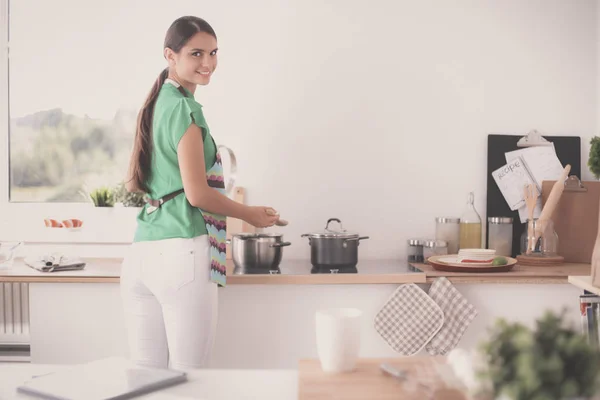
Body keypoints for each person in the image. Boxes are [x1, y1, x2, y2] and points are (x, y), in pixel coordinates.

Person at [121, 16, 280, 370]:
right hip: (183, 255)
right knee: (190, 383)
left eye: (213, 52)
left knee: (147, 382)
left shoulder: (155, 104)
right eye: (196, 53)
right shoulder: (184, 109)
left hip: (142, 255)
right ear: (170, 55)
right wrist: (250, 214)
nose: (207, 63)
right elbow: (197, 195)